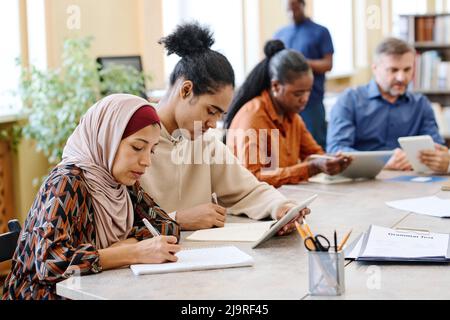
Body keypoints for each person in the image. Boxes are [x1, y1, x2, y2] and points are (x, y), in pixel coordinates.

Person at [2, 94, 181, 300]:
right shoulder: (66, 183)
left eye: (152, 150)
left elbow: (166, 225)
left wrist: (125, 244)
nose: (146, 161)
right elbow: (48, 262)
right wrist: (133, 252)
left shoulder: (119, 184)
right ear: (106, 138)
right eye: (137, 147)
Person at [140, 23, 310, 235]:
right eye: (210, 111)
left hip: (203, 259)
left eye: (220, 115)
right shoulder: (135, 139)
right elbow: (113, 221)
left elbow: (247, 190)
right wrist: (177, 219)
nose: (213, 124)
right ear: (186, 90)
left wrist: (281, 208)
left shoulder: (205, 143)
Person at [225, 40, 351, 188]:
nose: (305, 99)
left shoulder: (292, 116)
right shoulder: (254, 116)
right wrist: (311, 167)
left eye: (308, 91)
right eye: (298, 93)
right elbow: (254, 179)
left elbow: (314, 154)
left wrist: (332, 161)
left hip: (282, 199)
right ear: (276, 86)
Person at [327, 37, 446, 172]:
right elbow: (336, 149)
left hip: (411, 180)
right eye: (393, 70)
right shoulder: (349, 100)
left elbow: (436, 148)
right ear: (375, 68)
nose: (401, 77)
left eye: (407, 69)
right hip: (362, 180)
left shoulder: (421, 104)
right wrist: (381, 161)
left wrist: (440, 159)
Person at [274, 0, 334, 149]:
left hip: (312, 101)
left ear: (303, 5)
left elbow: (328, 64)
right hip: (285, 102)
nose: (292, 13)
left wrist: (300, 63)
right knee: (287, 146)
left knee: (315, 144)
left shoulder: (320, 32)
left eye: (295, 8)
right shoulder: (280, 34)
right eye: (288, 9)